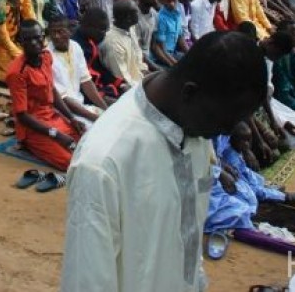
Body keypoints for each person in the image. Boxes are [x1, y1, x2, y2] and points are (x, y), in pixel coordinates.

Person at [61, 31, 268, 292]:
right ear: (190, 93)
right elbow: (87, 283)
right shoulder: (103, 162)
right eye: (223, 121)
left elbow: (189, 240)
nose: (225, 132)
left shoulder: (195, 128)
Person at [6, 19, 84, 171]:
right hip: (33, 127)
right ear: (20, 42)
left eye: (38, 37)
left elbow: (52, 90)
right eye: (28, 40)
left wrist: (72, 118)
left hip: (51, 117)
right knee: (71, 163)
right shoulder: (17, 73)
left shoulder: (46, 57)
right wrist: (55, 134)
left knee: (87, 142)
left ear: (44, 37)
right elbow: (22, 115)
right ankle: (29, 144)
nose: (35, 43)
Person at [47, 14, 108, 125]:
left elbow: (86, 82)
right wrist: (95, 118)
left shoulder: (75, 47)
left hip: (81, 106)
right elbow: (62, 98)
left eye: (60, 31)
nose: (56, 36)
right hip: (63, 111)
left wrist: (106, 110)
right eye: (52, 32)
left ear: (69, 31)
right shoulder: (46, 55)